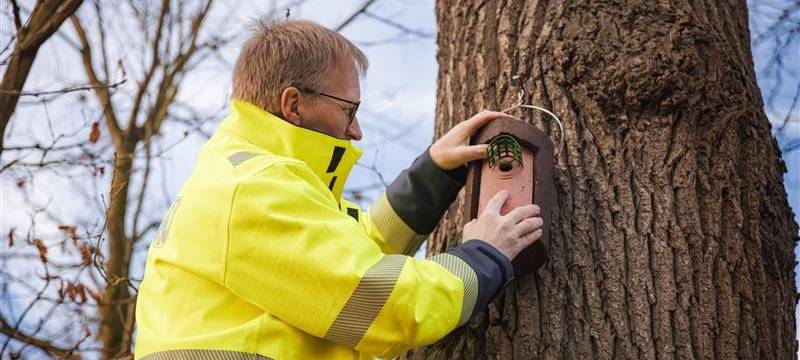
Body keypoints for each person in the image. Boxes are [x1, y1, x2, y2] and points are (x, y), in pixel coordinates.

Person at [134, 18, 543, 360]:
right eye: (349, 110)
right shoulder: (252, 189)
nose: (356, 131)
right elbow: (382, 301)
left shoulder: (242, 176)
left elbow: (354, 251)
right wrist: (484, 256)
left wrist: (434, 173)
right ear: (293, 104)